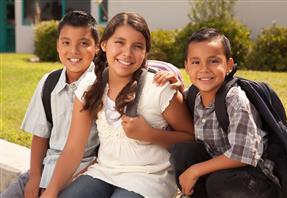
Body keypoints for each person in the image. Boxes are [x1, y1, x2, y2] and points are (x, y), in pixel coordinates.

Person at [41, 12, 194, 198]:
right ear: (104, 45)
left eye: (137, 46)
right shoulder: (90, 85)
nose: (127, 53)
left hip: (149, 178)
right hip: (104, 172)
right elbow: (73, 149)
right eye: (119, 42)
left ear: (145, 52)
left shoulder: (159, 89)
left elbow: (191, 138)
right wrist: (51, 191)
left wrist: (150, 135)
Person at [1, 10, 100, 198]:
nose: (73, 51)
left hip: (84, 172)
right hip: (46, 168)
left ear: (96, 48)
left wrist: (58, 185)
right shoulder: (49, 82)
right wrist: (35, 176)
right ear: (57, 46)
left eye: (84, 43)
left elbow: (103, 153)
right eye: (66, 43)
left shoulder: (102, 86)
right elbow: (40, 135)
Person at [170, 28, 279, 198]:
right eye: (196, 62)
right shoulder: (193, 94)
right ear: (186, 66)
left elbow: (244, 154)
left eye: (213, 61)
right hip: (220, 170)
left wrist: (195, 170)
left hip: (253, 178)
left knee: (219, 182)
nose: (204, 69)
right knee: (182, 152)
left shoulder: (235, 99)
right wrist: (173, 89)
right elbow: (178, 106)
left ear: (228, 65)